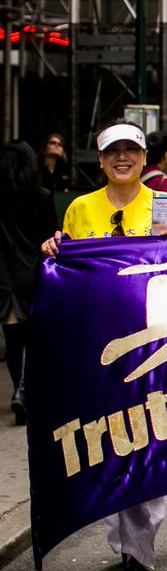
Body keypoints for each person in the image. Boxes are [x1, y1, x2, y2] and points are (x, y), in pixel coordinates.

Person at [39, 119, 167, 571]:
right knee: (110, 440)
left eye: (131, 150)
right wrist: (53, 251)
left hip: (154, 344)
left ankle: (140, 547)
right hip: (98, 345)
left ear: (145, 159)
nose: (122, 158)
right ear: (100, 160)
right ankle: (128, 546)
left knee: (149, 440)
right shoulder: (81, 208)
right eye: (112, 152)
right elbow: (70, 269)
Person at [1, 141, 57, 425]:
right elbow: (50, 237)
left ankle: (19, 388)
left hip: (4, 275)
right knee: (33, 336)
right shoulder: (43, 196)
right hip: (33, 273)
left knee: (13, 339)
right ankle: (27, 390)